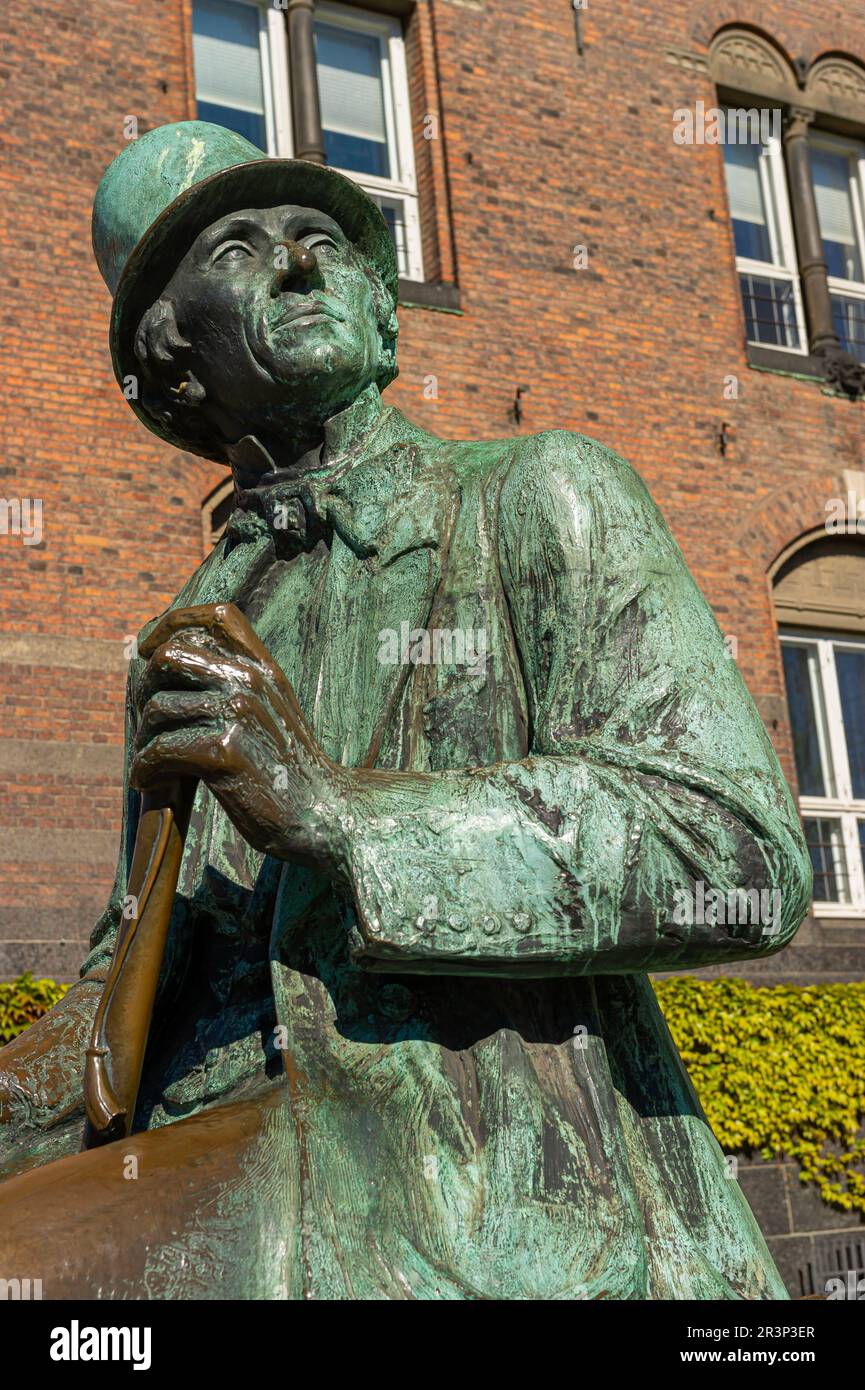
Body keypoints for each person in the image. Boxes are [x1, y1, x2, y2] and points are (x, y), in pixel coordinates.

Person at [0, 122, 810, 1299]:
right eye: (236, 246)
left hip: (486, 1213)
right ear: (171, 353)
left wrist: (340, 814)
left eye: (320, 236)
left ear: (382, 306)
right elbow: (130, 978)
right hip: (223, 1169)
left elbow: (737, 851)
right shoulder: (185, 631)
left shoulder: (542, 496)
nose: (295, 262)